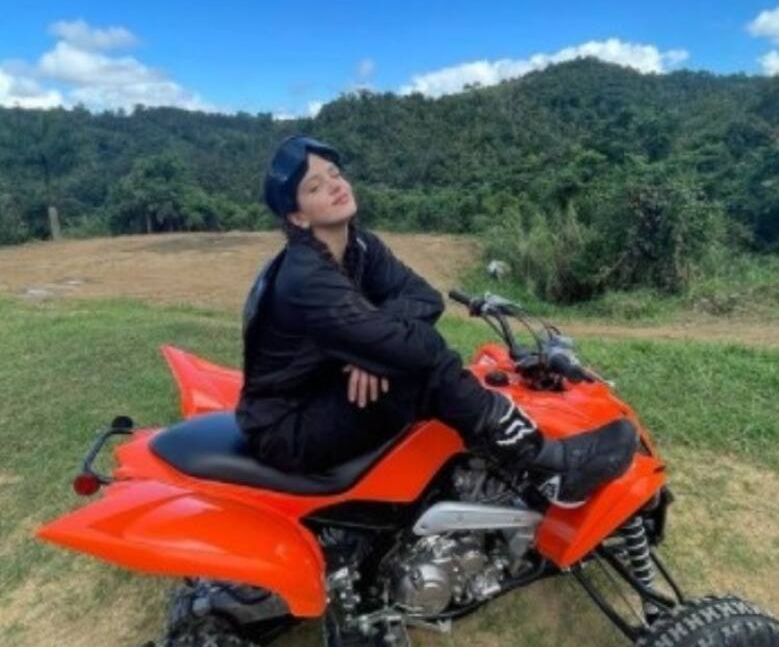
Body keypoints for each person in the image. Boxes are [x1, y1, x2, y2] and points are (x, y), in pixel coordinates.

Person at [234, 134, 637, 507]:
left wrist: (372, 349)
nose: (335, 186)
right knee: (427, 369)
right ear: (298, 217)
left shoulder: (360, 245)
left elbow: (424, 297)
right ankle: (543, 464)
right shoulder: (305, 277)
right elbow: (416, 350)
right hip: (288, 428)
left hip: (321, 389)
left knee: (406, 358)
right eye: (315, 187)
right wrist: (380, 346)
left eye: (335, 174)